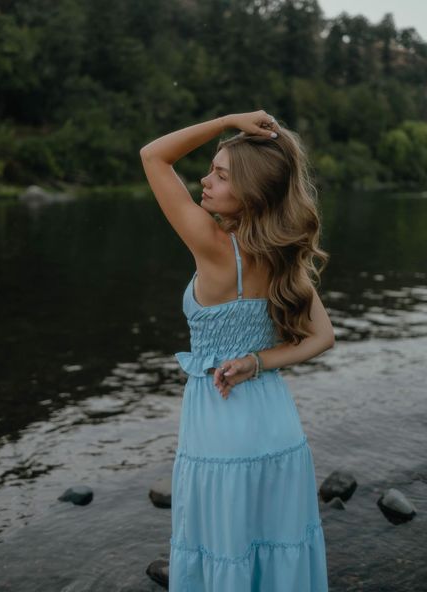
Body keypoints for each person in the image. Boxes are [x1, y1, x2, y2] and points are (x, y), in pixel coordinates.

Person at [140, 110, 334, 591]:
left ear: (250, 192)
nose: (204, 181)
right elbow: (322, 337)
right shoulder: (284, 255)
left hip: (219, 430)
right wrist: (258, 361)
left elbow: (153, 156)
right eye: (211, 169)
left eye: (221, 175)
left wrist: (229, 120)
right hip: (277, 428)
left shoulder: (209, 244)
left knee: (223, 550)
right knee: (278, 546)